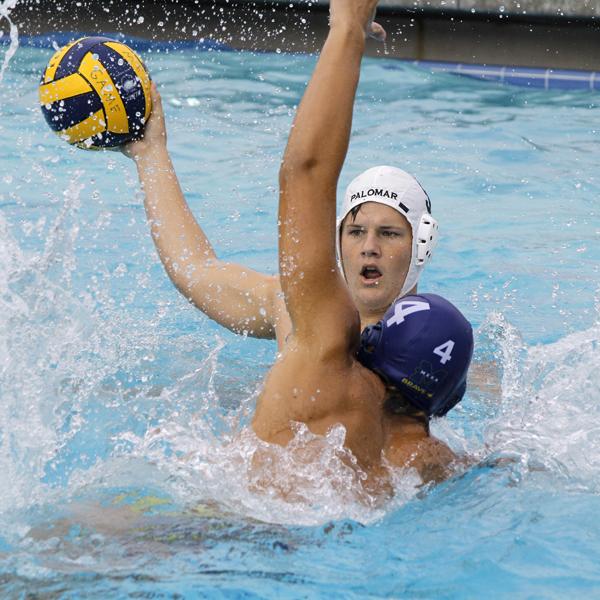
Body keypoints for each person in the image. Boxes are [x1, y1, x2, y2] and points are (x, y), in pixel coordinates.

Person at [122, 0, 474, 487]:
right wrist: (149, 154)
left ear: (420, 245)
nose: (368, 247)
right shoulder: (430, 453)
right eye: (355, 231)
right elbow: (195, 268)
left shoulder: (321, 335)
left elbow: (305, 173)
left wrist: (347, 28)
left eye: (389, 233)